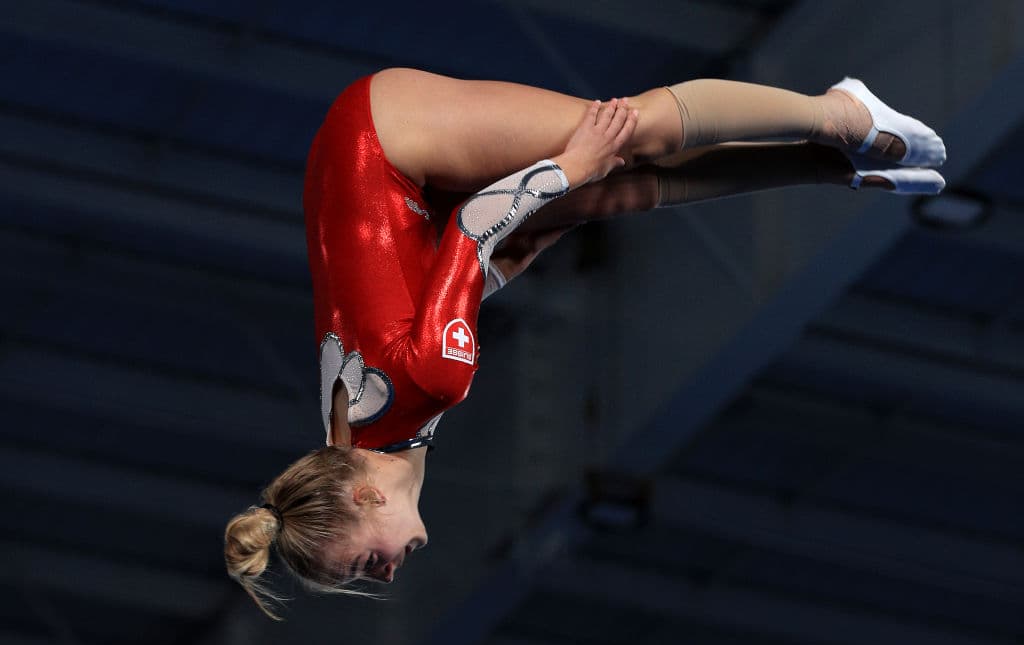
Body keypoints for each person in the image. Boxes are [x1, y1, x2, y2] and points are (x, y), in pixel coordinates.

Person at [225, 68, 946, 617]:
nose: (381, 574)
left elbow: (476, 226)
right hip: (377, 188)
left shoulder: (428, 389)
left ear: (362, 496)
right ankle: (833, 166)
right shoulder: (346, 434)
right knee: (613, 194)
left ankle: (840, 112)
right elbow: (415, 289)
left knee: (627, 138)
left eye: (359, 564)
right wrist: (537, 230)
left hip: (383, 135)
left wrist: (572, 165)